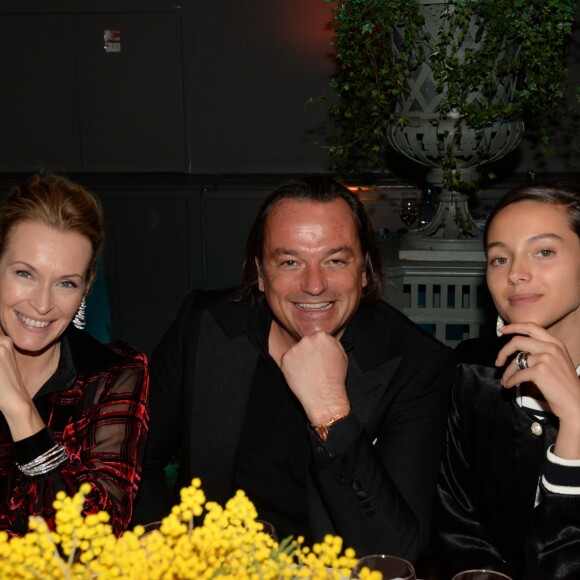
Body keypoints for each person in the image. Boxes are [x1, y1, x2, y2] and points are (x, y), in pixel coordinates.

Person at [133, 176, 455, 561]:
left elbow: (395, 553)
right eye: (290, 262)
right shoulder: (204, 326)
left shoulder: (416, 365)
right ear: (260, 274)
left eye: (335, 260)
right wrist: (165, 555)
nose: (314, 285)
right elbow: (137, 462)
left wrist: (331, 412)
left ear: (365, 271)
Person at [433, 182, 580, 579]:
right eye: (499, 259)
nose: (516, 273)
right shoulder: (472, 371)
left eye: (544, 251)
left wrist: (577, 425)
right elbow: (458, 530)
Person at [0, 173, 149, 536]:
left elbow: (95, 536)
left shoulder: (112, 375)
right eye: (25, 273)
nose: (42, 303)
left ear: (86, 288)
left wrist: (20, 411)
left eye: (66, 282)